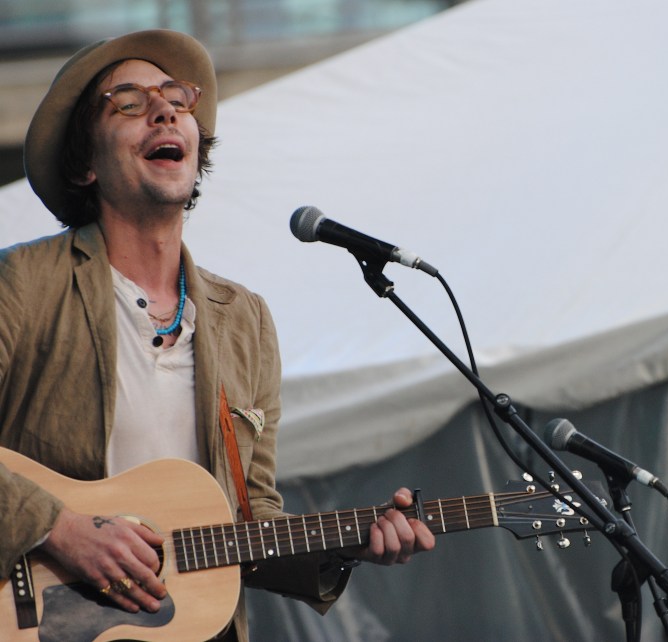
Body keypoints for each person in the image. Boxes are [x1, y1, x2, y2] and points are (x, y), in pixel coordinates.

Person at [0, 29, 435, 641]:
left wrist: (350, 545)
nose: (165, 110)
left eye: (177, 99)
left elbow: (251, 524)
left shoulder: (245, 321)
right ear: (86, 164)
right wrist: (59, 528)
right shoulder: (23, 283)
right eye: (129, 102)